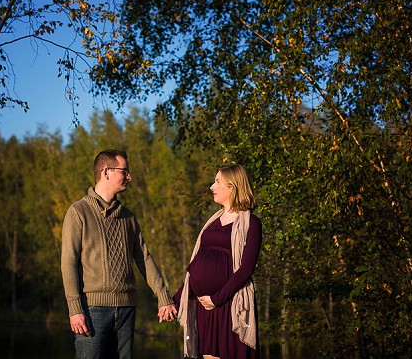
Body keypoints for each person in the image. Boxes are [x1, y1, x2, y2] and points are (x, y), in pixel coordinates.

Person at [60, 149, 178, 359]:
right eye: (124, 171)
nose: (129, 177)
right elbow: (68, 262)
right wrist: (75, 309)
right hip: (91, 310)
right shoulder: (78, 212)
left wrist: (163, 296)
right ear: (106, 172)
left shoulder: (129, 218)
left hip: (126, 310)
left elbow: (144, 258)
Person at [175, 164, 262, 359]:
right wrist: (175, 300)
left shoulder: (251, 223)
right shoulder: (212, 223)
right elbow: (194, 267)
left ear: (232, 186)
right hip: (206, 306)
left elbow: (246, 269)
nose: (211, 187)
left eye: (217, 182)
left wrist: (217, 299)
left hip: (230, 303)